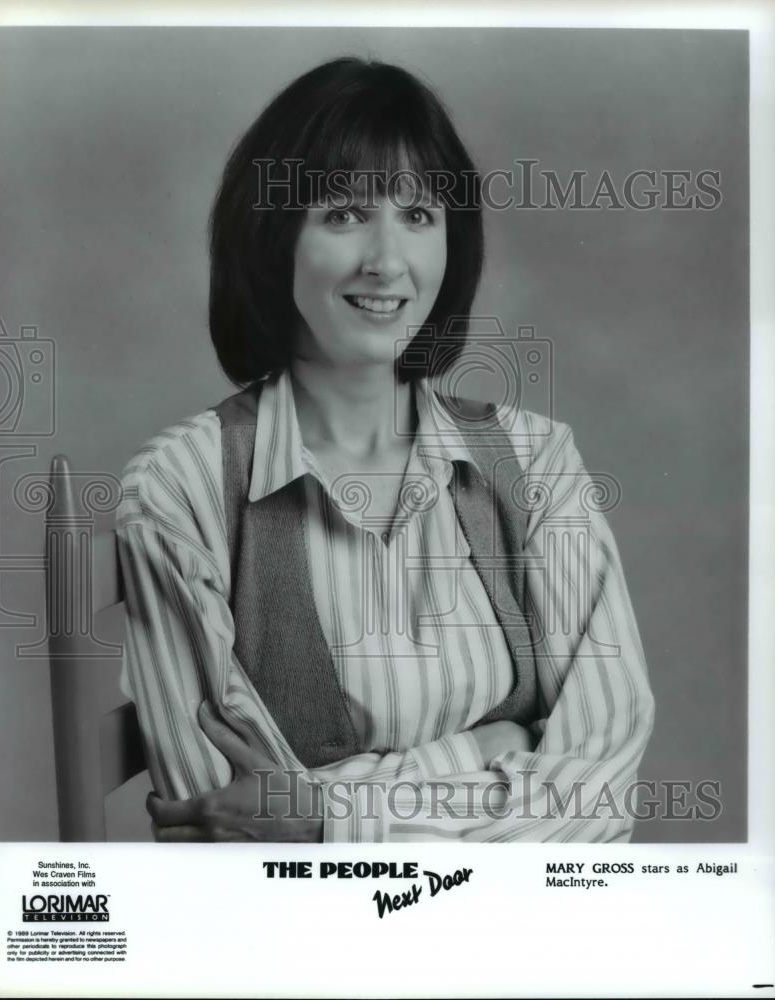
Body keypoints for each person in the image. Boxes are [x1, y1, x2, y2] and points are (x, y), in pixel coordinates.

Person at [116, 56, 654, 843]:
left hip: (515, 943)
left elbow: (599, 792)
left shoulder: (536, 462)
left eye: (418, 216)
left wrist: (329, 813)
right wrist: (491, 750)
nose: (387, 260)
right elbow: (219, 819)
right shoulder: (182, 487)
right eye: (342, 215)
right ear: (272, 238)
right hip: (296, 954)